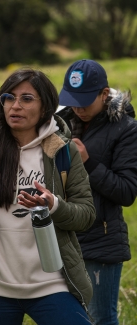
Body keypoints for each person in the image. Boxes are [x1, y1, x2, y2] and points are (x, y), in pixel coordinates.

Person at [0, 68, 96, 325]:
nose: (15, 106)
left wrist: (55, 205)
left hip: (51, 283)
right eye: (9, 97)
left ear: (45, 106)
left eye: (26, 98)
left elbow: (86, 215)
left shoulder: (62, 151)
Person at [57, 59, 137, 325]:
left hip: (100, 245)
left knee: (99, 320)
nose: (78, 107)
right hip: (62, 240)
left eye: (85, 100)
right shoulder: (61, 123)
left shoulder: (127, 130)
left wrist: (87, 162)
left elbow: (127, 192)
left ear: (105, 94)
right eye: (72, 99)